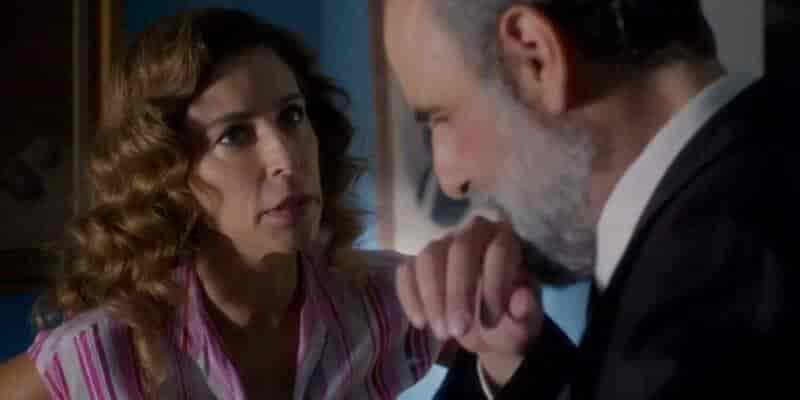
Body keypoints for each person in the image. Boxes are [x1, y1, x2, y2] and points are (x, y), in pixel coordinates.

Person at [0, 8, 442, 399]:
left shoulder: (387, 300)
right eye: (234, 135)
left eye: (291, 117)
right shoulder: (104, 353)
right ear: (169, 172)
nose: (286, 159)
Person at [382, 0, 800, 398]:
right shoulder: (755, 177)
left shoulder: (695, 312)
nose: (450, 180)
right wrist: (511, 360)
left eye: (442, 117)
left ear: (535, 59)